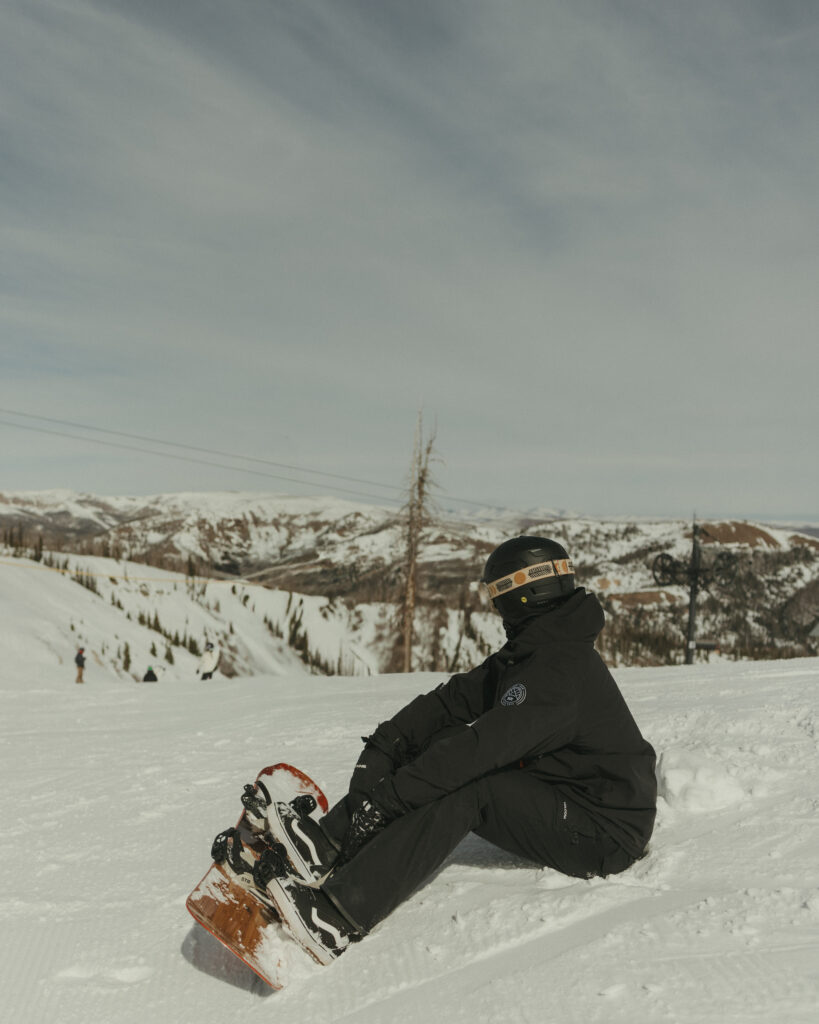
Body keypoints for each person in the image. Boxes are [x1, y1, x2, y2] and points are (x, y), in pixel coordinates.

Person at [223, 537, 657, 967]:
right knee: (434, 748)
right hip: (562, 790)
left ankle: (335, 918)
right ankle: (327, 845)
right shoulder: (536, 649)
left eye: (494, 593)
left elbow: (476, 754)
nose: (493, 605)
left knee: (469, 787)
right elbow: (451, 702)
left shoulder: (559, 671)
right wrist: (386, 744)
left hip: (604, 830)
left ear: (518, 592)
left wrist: (386, 800)